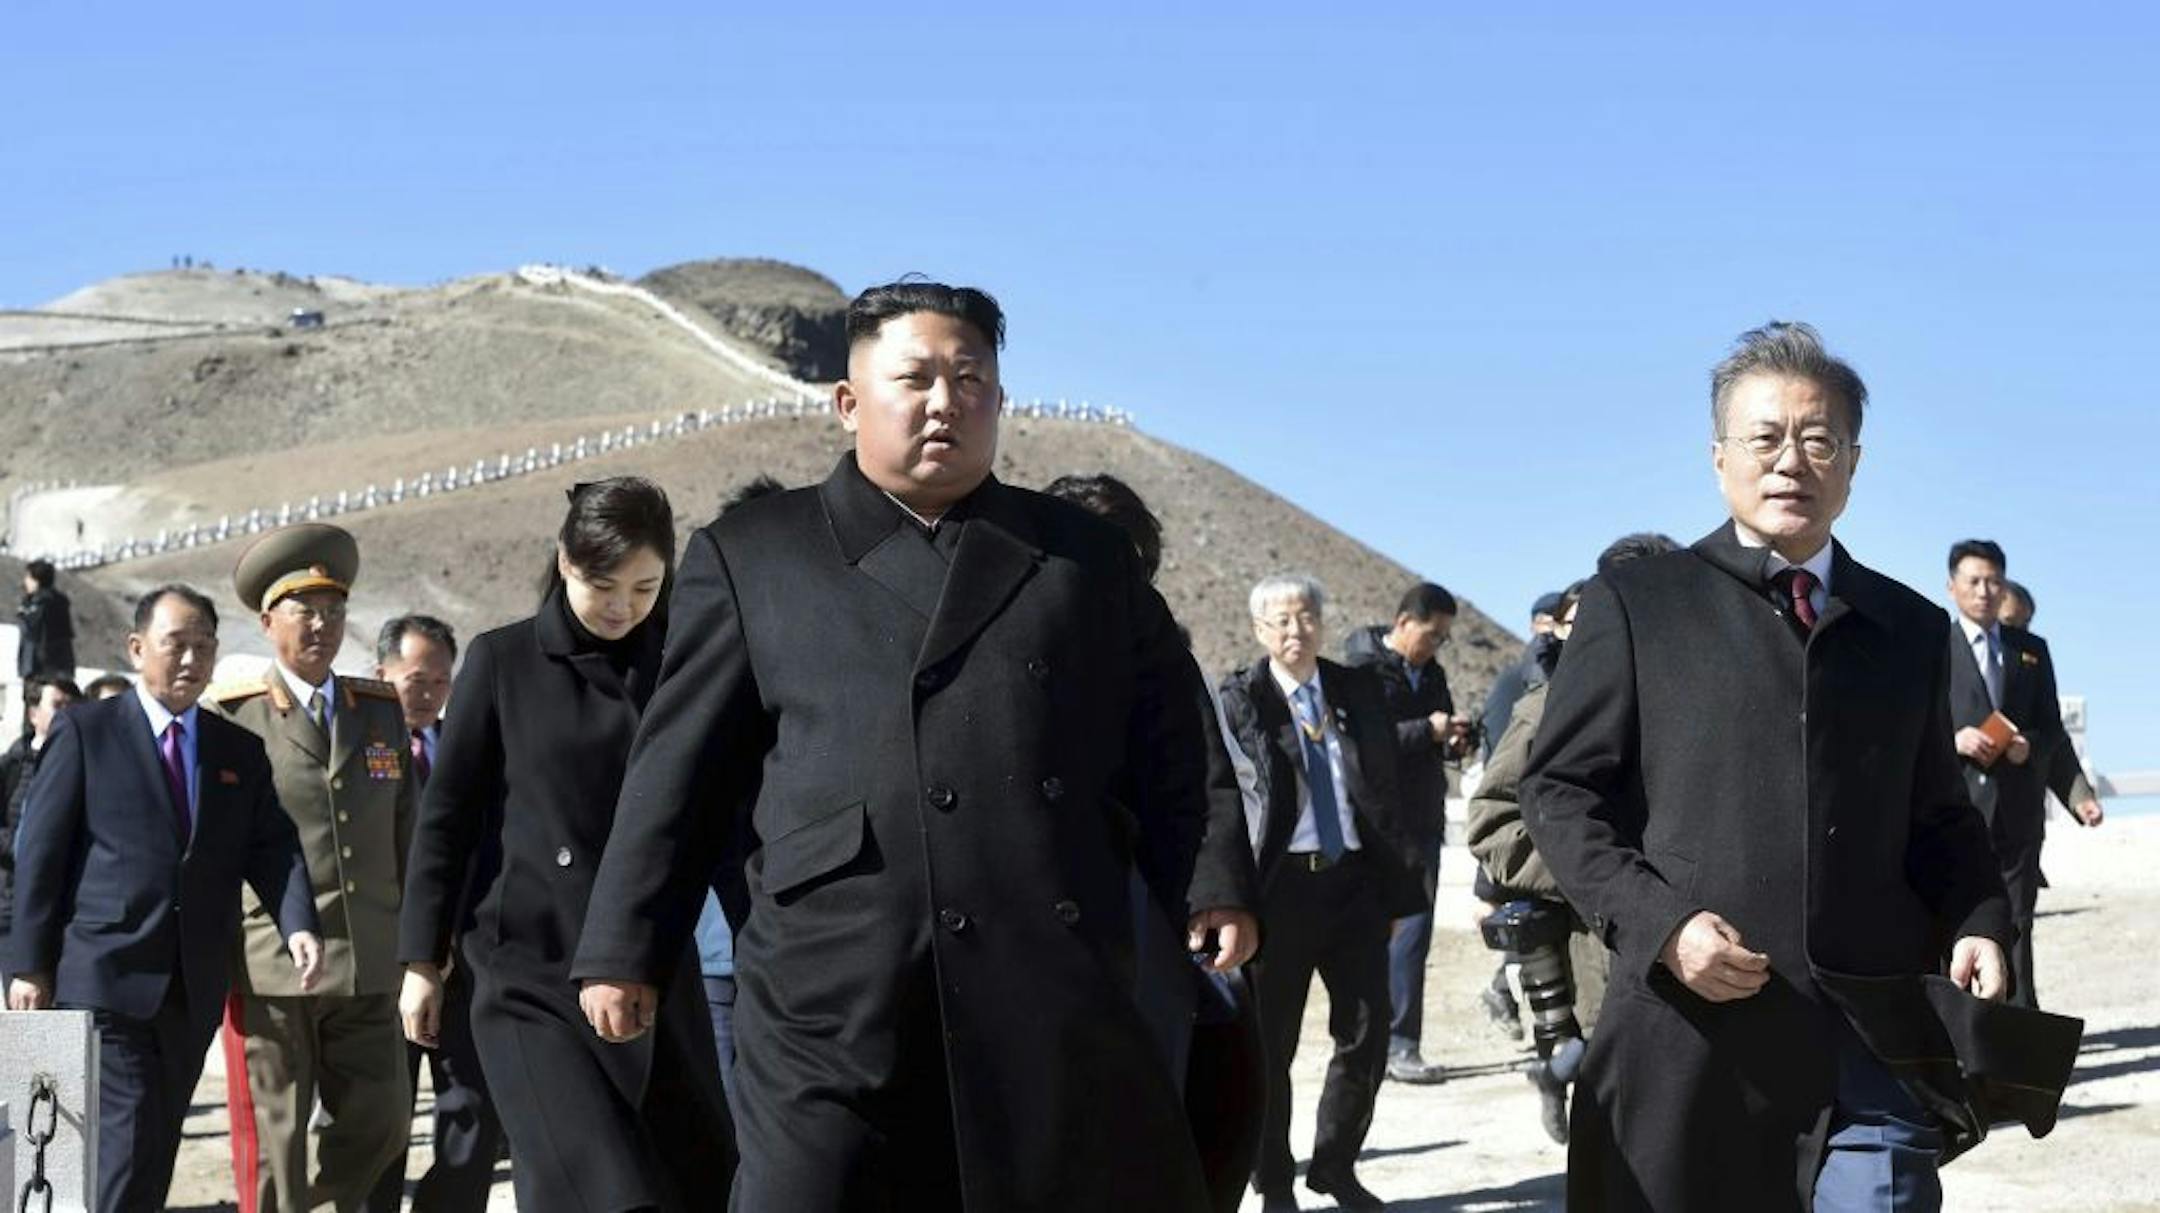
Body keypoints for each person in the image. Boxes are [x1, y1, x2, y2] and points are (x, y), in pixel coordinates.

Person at [571, 282, 1215, 1210]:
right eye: (914, 377)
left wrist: (1213, 882)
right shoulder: (755, 552)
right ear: (847, 402)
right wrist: (625, 944)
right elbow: (681, 766)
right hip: (832, 978)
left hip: (1043, 960)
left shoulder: (1080, 555)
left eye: (970, 378)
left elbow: (1172, 736)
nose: (945, 401)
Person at [1524, 322, 2020, 1210]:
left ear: (1854, 462)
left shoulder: (1907, 629)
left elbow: (1938, 817)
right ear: (1719, 458)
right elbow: (1559, 791)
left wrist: (1979, 918)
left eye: (1818, 438)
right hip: (1690, 1030)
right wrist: (1665, 927)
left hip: (1866, 1039)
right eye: (1765, 438)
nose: (1792, 460)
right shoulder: (1640, 605)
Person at [399, 478, 734, 1212]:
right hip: (528, 974)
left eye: (646, 587)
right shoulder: (501, 660)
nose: (622, 607)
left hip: (652, 971)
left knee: (697, 1179)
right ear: (563, 562)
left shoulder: (681, 666)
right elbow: (447, 817)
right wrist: (423, 959)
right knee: (593, 1184)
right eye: (602, 585)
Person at [4, 585, 322, 1213]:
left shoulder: (236, 750)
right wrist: (27, 965)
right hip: (101, 979)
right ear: (137, 648)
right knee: (118, 1145)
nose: (191, 660)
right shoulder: (86, 731)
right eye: (176, 644)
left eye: (205, 646)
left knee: (154, 1151)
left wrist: (298, 923)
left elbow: (273, 846)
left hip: (190, 986)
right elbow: (38, 854)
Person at [1043, 470, 1264, 1213]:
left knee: (1157, 1107)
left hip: (1142, 913)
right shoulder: (988, 631)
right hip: (1013, 916)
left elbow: (1200, 765)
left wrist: (1220, 890)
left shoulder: (1154, 641)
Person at [209, 523, 416, 1213]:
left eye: (334, 610)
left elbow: (407, 832)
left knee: (384, 1123)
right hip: (275, 965)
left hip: (369, 956)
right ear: (269, 622)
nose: (323, 625)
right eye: (305, 610)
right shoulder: (234, 719)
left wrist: (422, 946)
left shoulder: (379, 713)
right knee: (278, 1141)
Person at [1465, 533, 1677, 1145]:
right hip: (1603, 949)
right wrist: (1599, 876)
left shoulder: (1712, 698)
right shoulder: (1549, 707)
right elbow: (1493, 821)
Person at [1220, 574, 1423, 1212]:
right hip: (1280, 890)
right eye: (1279, 621)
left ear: (1321, 622)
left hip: (1355, 884)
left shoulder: (1354, 689)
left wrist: (1396, 891)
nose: (1294, 631)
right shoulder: (1241, 697)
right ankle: (1274, 1181)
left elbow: (1384, 790)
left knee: (1366, 1033)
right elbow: (1230, 800)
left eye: (1304, 617)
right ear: (1259, 630)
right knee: (1271, 1044)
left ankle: (1336, 1166)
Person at [365, 615, 503, 1213]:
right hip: (382, 966)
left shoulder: (472, 750)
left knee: (471, 1113)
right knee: (384, 1119)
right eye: (416, 678)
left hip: (465, 967)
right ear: (383, 674)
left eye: (442, 681)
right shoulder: (355, 746)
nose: (428, 693)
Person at [1942, 540, 2102, 1009]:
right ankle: (1958, 1035)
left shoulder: (2031, 652)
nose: (1985, 591)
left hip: (2017, 816)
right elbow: (1907, 726)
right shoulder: (1932, 646)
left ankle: (2017, 1031)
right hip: (1953, 812)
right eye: (1974, 581)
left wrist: (2069, 786)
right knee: (1952, 923)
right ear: (1952, 588)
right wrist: (1954, 740)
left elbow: (2052, 732)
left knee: (2016, 923)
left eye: (1994, 581)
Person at [1343, 581, 1470, 1085]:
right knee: (1369, 938)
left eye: (1444, 638)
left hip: (1423, 822)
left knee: (1415, 937)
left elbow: (1430, 739)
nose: (1437, 645)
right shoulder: (1361, 673)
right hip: (1375, 826)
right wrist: (1428, 730)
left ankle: (1402, 1044)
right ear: (1402, 623)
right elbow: (1363, 746)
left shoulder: (1433, 674)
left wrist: (1453, 741)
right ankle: (1364, 1042)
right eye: (1432, 634)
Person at [1995, 579, 2104, 816]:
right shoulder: (1949, 656)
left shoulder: (2032, 667)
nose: (2019, 635)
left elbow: (2051, 735)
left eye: (2025, 625)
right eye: (2008, 624)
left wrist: (2081, 797)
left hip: (2019, 820)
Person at [1, 674, 80, 956]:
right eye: (58, 705)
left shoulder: (88, 764)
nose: (66, 713)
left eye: (73, 705)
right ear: (33, 713)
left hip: (67, 910)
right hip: (11, 903)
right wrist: (22, 847)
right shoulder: (12, 765)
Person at [1479, 589, 1565, 760]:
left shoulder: (1572, 673)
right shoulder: (1513, 680)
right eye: (1549, 623)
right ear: (1534, 626)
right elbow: (1497, 745)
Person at [16, 558, 77, 680]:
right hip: (50, 668)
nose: (25, 581)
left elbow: (34, 636)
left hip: (43, 670)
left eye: (29, 577)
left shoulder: (44, 604)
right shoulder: (52, 601)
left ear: (37, 580)